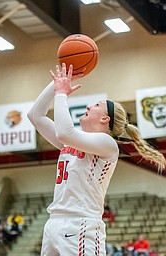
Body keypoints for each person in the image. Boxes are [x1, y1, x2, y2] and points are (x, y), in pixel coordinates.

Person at [27, 63, 166, 256]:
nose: (89, 106)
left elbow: (65, 132)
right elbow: (35, 115)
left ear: (105, 119)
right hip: (54, 223)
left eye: (97, 105)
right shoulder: (74, 142)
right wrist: (57, 84)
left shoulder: (106, 144)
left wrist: (61, 94)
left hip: (81, 225)